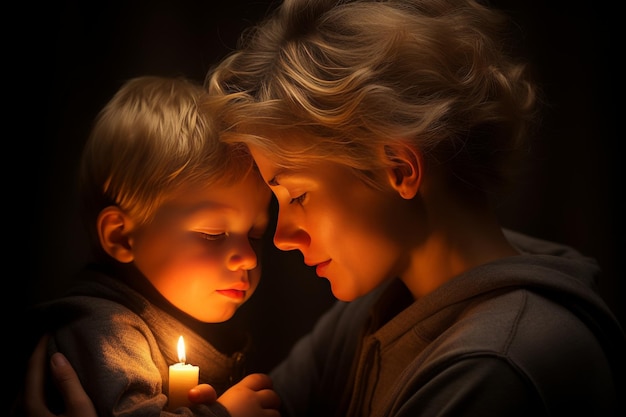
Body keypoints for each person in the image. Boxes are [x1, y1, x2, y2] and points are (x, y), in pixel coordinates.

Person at [24, 0, 626, 416]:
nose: (279, 239)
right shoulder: (383, 310)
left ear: (398, 168)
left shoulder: (497, 369)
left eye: (298, 195)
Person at [12, 75, 280, 417]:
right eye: (213, 233)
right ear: (121, 236)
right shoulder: (105, 329)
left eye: (255, 234)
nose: (246, 257)